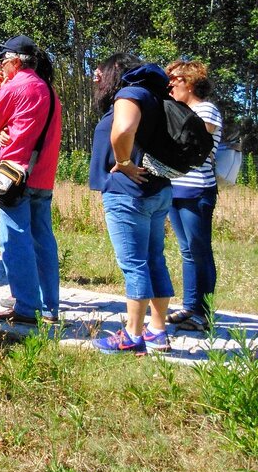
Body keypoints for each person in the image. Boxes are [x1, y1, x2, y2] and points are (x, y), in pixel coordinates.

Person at [88, 56, 174, 354]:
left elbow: (124, 129)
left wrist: (123, 162)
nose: (95, 75)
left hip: (128, 194)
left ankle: (132, 335)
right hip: (156, 190)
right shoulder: (154, 95)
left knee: (134, 263)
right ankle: (158, 331)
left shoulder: (129, 93)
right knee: (154, 259)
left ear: (116, 72)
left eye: (100, 70)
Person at [0, 35, 62, 324]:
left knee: (14, 241)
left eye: (3, 61)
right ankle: (50, 307)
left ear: (16, 61)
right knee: (43, 240)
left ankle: (27, 307)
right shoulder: (50, 92)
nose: (1, 68)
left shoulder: (14, 86)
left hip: (15, 177)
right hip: (43, 176)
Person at [165, 60, 222, 332]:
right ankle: (189, 306)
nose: (170, 85)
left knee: (200, 251)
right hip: (175, 188)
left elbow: (191, 140)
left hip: (197, 189)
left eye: (174, 79)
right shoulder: (178, 110)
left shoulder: (206, 109)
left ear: (189, 82)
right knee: (187, 251)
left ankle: (204, 313)